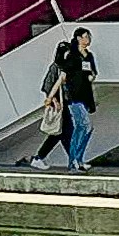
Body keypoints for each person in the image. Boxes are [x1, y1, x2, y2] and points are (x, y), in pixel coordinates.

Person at [46, 30, 99, 171]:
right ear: (78, 38)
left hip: (86, 95)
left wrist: (91, 77)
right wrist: (51, 96)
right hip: (74, 97)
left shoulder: (89, 56)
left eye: (89, 36)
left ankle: (78, 159)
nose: (88, 39)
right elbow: (62, 77)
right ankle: (74, 160)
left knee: (85, 127)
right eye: (85, 37)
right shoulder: (73, 56)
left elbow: (93, 73)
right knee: (84, 125)